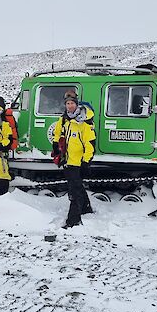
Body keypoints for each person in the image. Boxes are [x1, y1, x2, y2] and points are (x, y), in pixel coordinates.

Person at [52, 90, 96, 228]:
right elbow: (57, 131)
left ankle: (73, 220)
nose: (69, 106)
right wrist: (55, 143)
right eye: (67, 103)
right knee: (76, 187)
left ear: (77, 104)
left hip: (78, 162)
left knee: (74, 191)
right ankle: (86, 208)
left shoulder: (85, 122)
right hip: (68, 160)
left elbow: (90, 144)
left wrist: (86, 161)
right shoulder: (65, 119)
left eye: (72, 103)